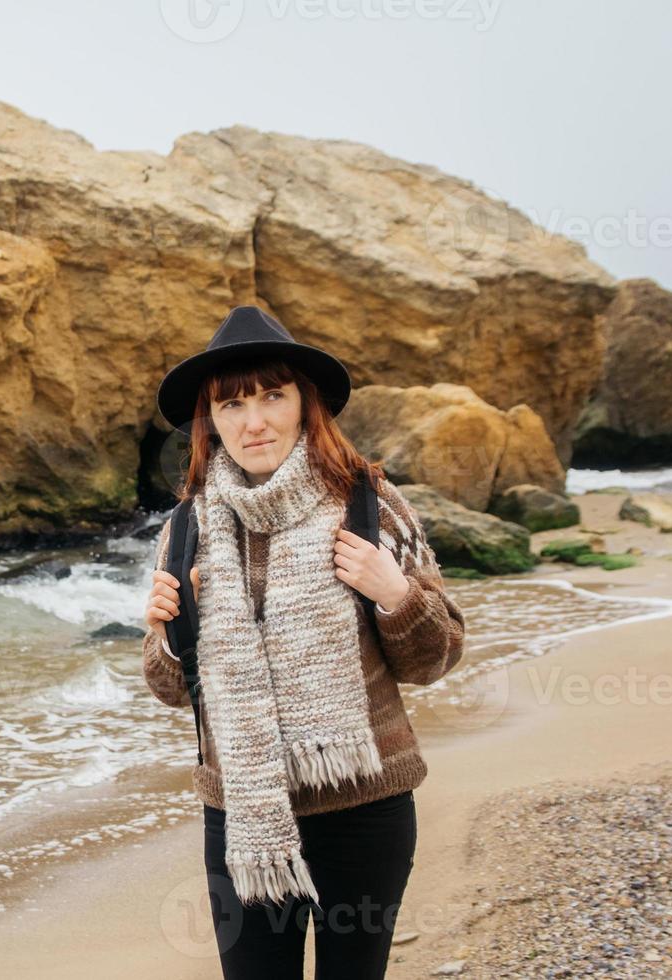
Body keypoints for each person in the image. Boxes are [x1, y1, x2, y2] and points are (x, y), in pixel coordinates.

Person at [141, 306, 467, 980]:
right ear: (210, 420)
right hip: (243, 813)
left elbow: (436, 658)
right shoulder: (185, 529)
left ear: (303, 405)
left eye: (272, 396)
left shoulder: (368, 505)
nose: (253, 421)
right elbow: (172, 689)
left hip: (365, 808)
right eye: (232, 404)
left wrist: (395, 594)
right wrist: (173, 634)